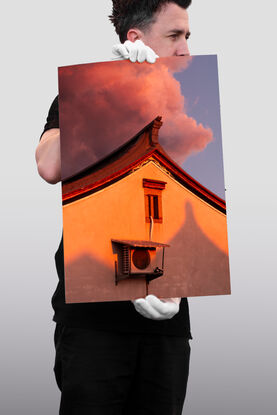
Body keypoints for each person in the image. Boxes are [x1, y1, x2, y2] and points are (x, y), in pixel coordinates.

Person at [35, 1, 193, 414]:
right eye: (174, 36)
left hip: (167, 319)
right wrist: (108, 89)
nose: (185, 49)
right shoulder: (86, 92)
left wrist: (181, 278)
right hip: (92, 321)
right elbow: (50, 165)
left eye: (188, 37)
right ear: (135, 39)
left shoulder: (191, 100)